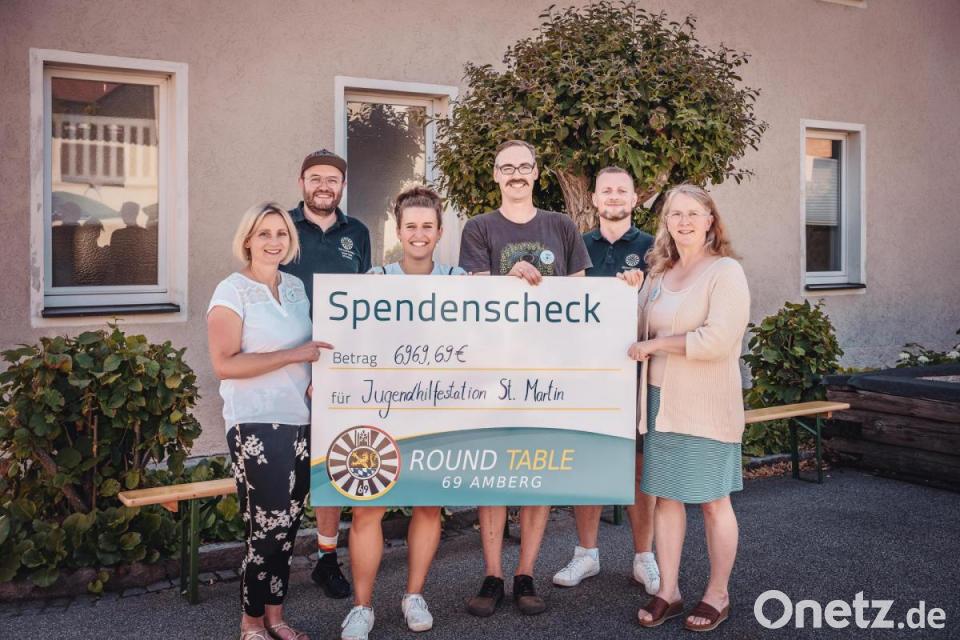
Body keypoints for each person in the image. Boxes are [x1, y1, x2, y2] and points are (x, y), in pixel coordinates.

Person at [458, 140, 592, 618]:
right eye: (506, 167)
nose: (516, 173)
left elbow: (580, 296)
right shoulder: (479, 227)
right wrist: (506, 276)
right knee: (492, 474)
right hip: (494, 368)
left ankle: (525, 574)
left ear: (536, 172)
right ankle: (493, 575)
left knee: (540, 472)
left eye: (524, 166)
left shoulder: (562, 226)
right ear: (495, 175)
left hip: (548, 369)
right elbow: (473, 292)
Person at [340, 186, 465, 640]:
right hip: (382, 408)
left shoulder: (459, 280)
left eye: (427, 226)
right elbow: (352, 336)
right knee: (367, 508)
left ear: (440, 231)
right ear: (398, 230)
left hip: (436, 409)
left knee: (428, 506)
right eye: (411, 226)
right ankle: (361, 606)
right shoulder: (376, 277)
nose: (419, 234)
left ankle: (414, 595)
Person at [208, 202, 334, 640]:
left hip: (301, 420)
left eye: (281, 233)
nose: (274, 241)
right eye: (264, 233)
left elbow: (314, 349)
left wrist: (317, 380)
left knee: (288, 526)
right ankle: (250, 622)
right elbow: (224, 364)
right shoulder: (231, 291)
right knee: (265, 527)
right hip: (255, 421)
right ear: (248, 240)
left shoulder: (295, 287)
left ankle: (276, 618)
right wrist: (293, 355)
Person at [628, 184, 749, 632]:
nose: (683, 222)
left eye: (693, 213)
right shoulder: (660, 272)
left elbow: (718, 339)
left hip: (706, 402)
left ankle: (718, 594)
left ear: (710, 220)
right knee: (667, 498)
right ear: (666, 223)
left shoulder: (726, 272)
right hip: (660, 402)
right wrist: (629, 293)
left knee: (714, 501)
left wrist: (657, 344)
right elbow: (636, 328)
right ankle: (669, 590)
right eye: (675, 214)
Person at [552, 166, 660, 594]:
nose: (614, 197)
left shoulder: (653, 248)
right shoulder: (577, 246)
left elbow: (662, 311)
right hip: (588, 374)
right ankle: (586, 554)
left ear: (635, 199)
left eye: (622, 191)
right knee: (589, 463)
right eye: (606, 191)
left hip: (637, 373)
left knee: (639, 467)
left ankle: (644, 557)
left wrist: (638, 292)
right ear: (594, 200)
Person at [279, 149, 371, 599]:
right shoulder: (283, 228)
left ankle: (326, 559)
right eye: (315, 178)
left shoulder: (358, 233)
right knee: (287, 472)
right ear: (302, 182)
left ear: (342, 186)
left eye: (332, 179)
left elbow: (366, 300)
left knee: (333, 465)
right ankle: (271, 559)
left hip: (340, 368)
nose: (323, 186)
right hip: (288, 366)